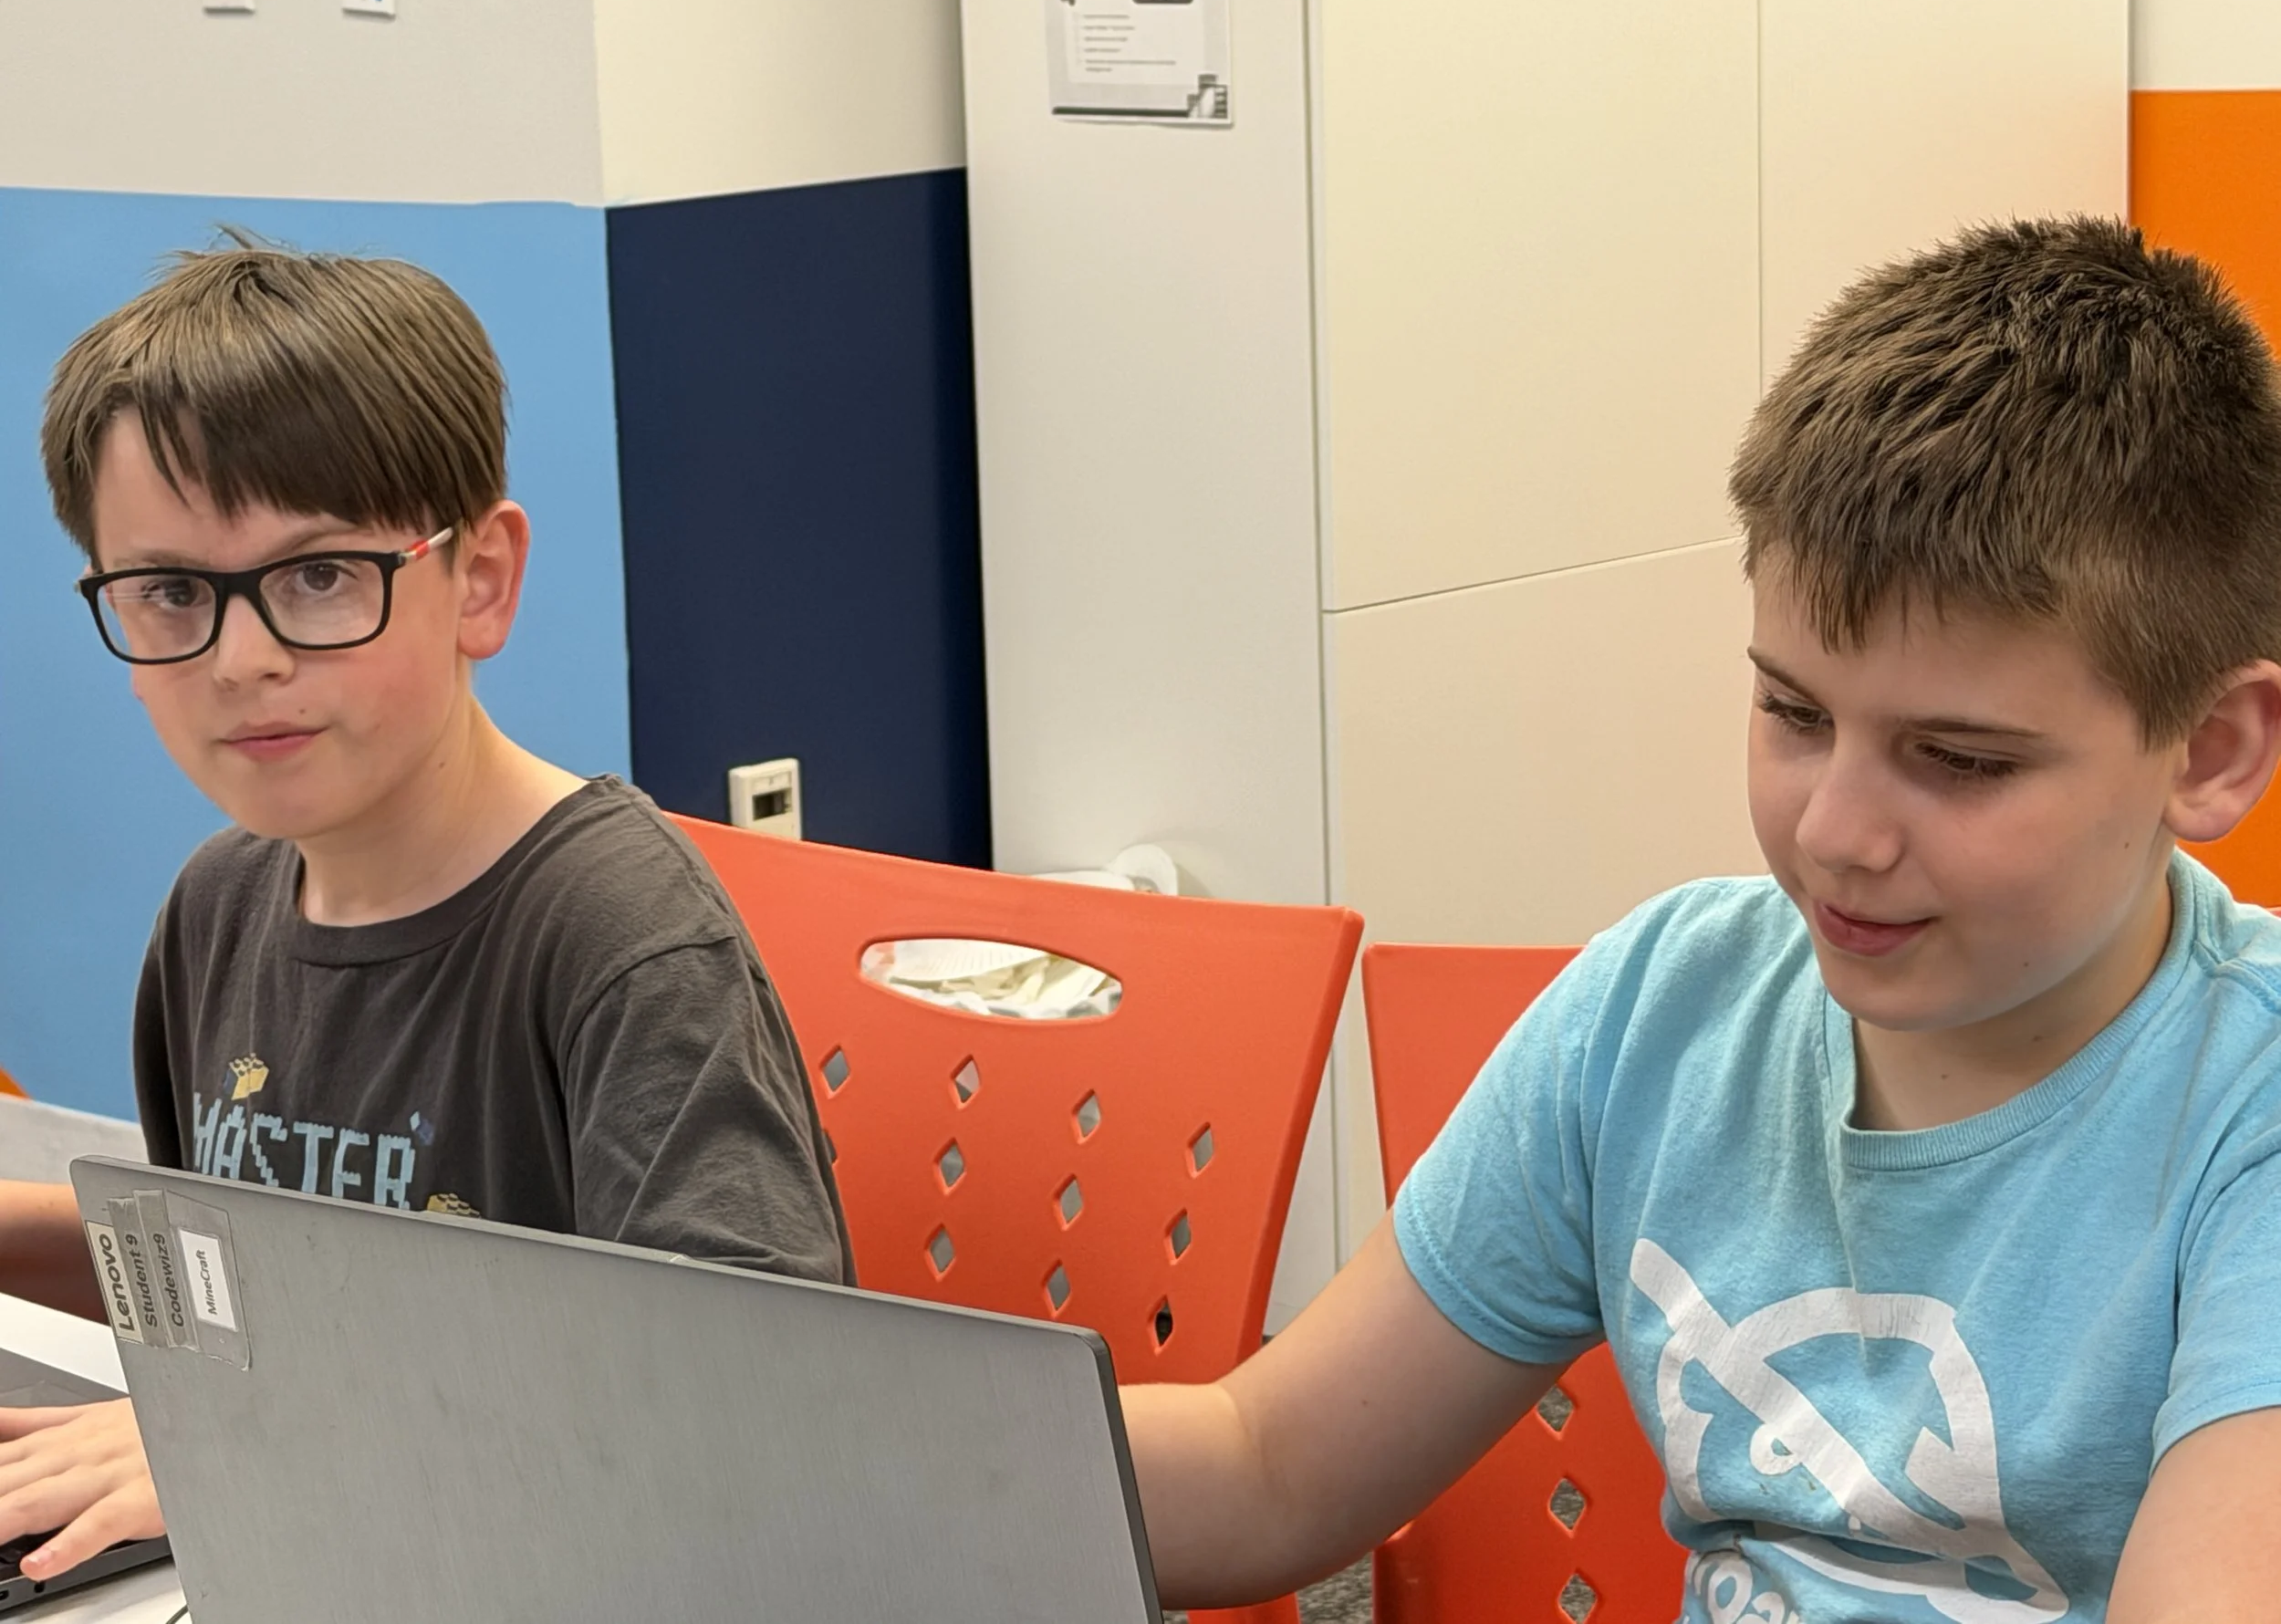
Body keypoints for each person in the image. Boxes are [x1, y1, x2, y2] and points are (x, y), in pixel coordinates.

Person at [1126, 218, 2281, 1620]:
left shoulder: (2246, 1109)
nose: (1834, 833)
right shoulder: (1656, 1014)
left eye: (1962, 761)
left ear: (2213, 752)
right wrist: (859, 1451)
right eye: (1793, 712)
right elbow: (1269, 1467)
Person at [0, 244, 852, 1577]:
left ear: (480, 580)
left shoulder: (621, 941)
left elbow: (752, 1409)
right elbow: (219, 1268)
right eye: (170, 592)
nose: (244, 659)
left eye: (322, 574)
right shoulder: (217, 907)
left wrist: (266, 1427)